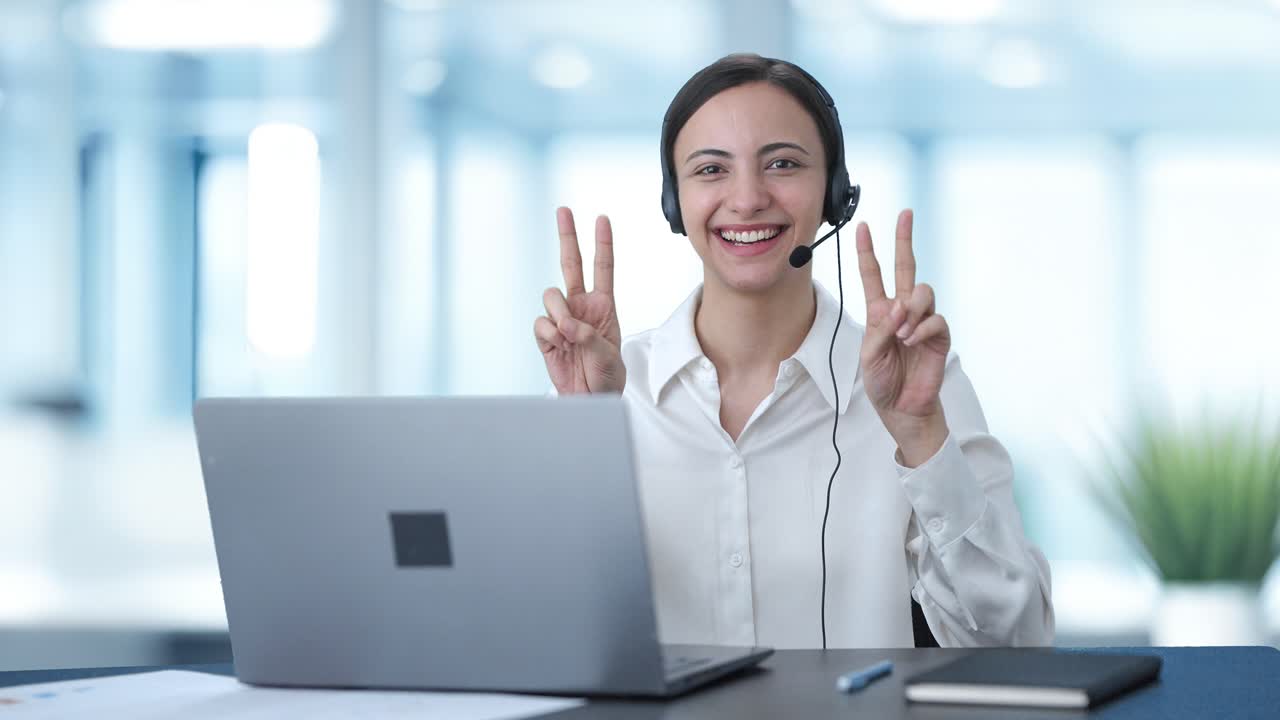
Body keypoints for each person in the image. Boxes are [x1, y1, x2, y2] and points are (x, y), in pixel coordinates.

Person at [532, 53, 1053, 649]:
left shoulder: (917, 386)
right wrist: (582, 435)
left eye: (782, 163)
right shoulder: (600, 390)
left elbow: (1021, 643)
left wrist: (920, 437)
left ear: (834, 192)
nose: (748, 198)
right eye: (711, 169)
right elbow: (536, 635)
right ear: (674, 202)